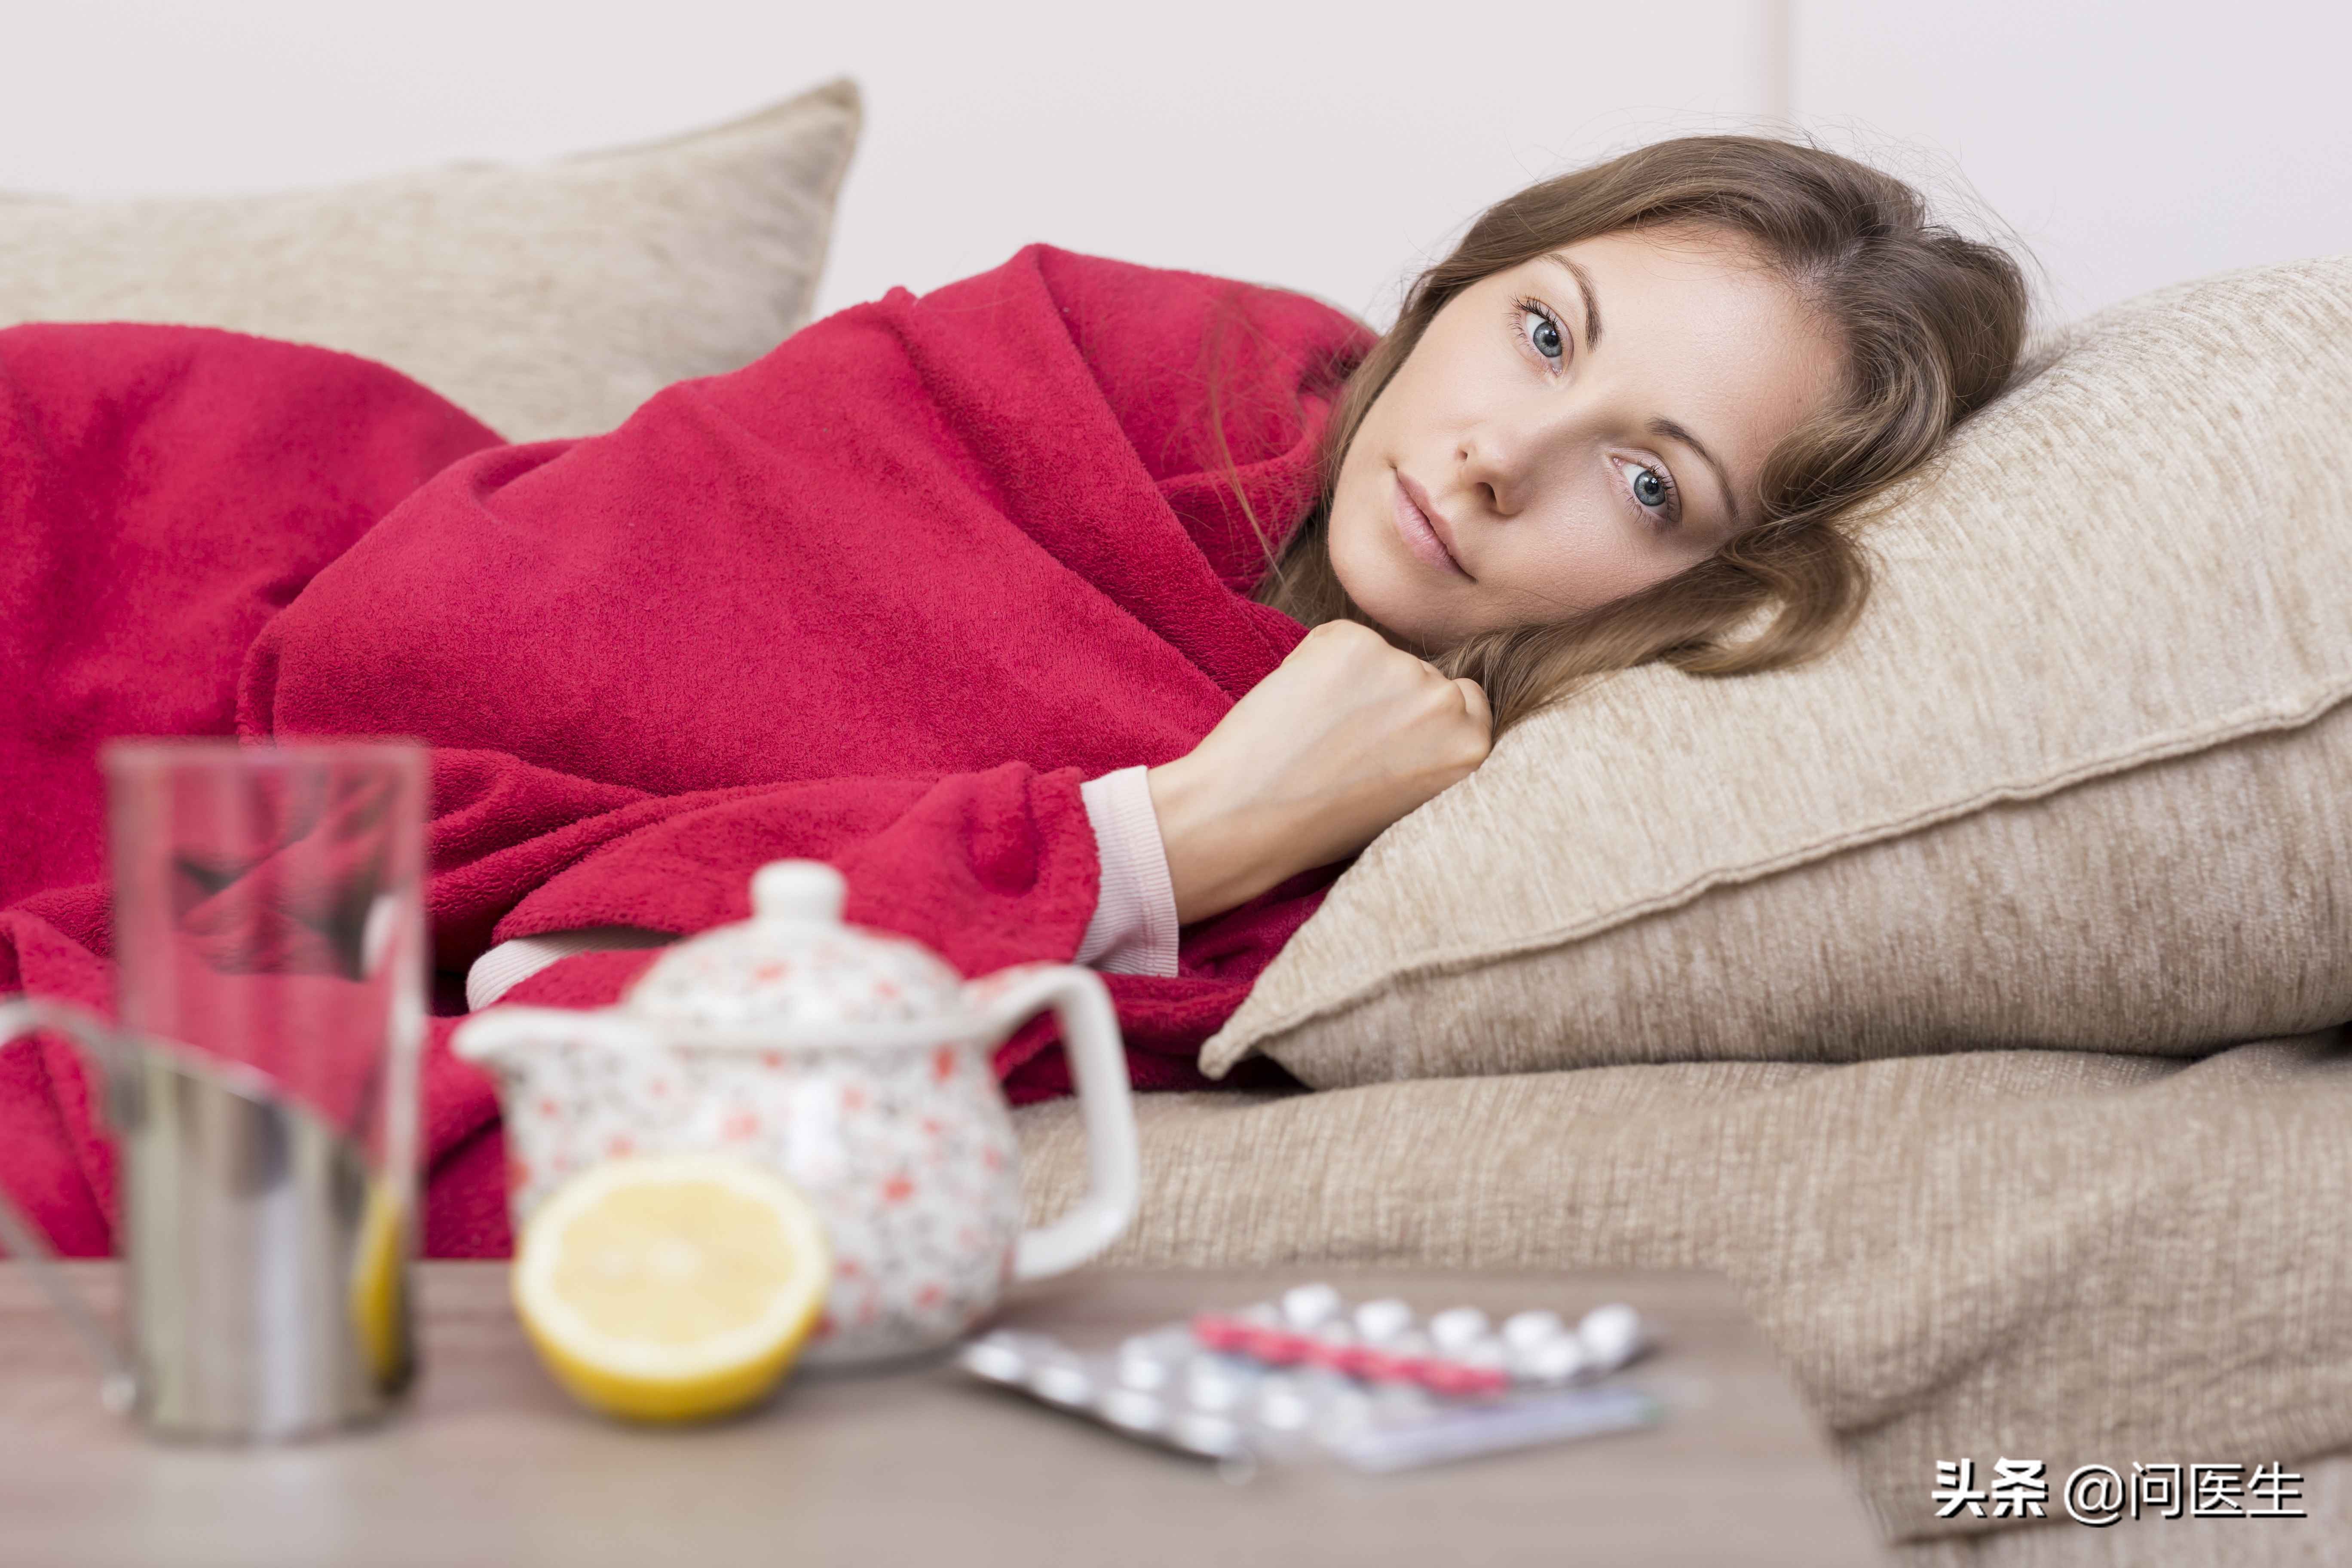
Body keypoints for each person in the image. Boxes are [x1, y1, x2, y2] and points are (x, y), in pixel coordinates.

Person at [467, 133, 2029, 1005]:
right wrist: (1185, 827)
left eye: (1641, 481)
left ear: (1705, 586)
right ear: (1461, 285)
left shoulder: (1480, 834)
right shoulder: (1124, 361)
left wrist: (1173, 846)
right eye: (1544, 332)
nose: (1499, 455)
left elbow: (571, 981)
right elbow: (434, 642)